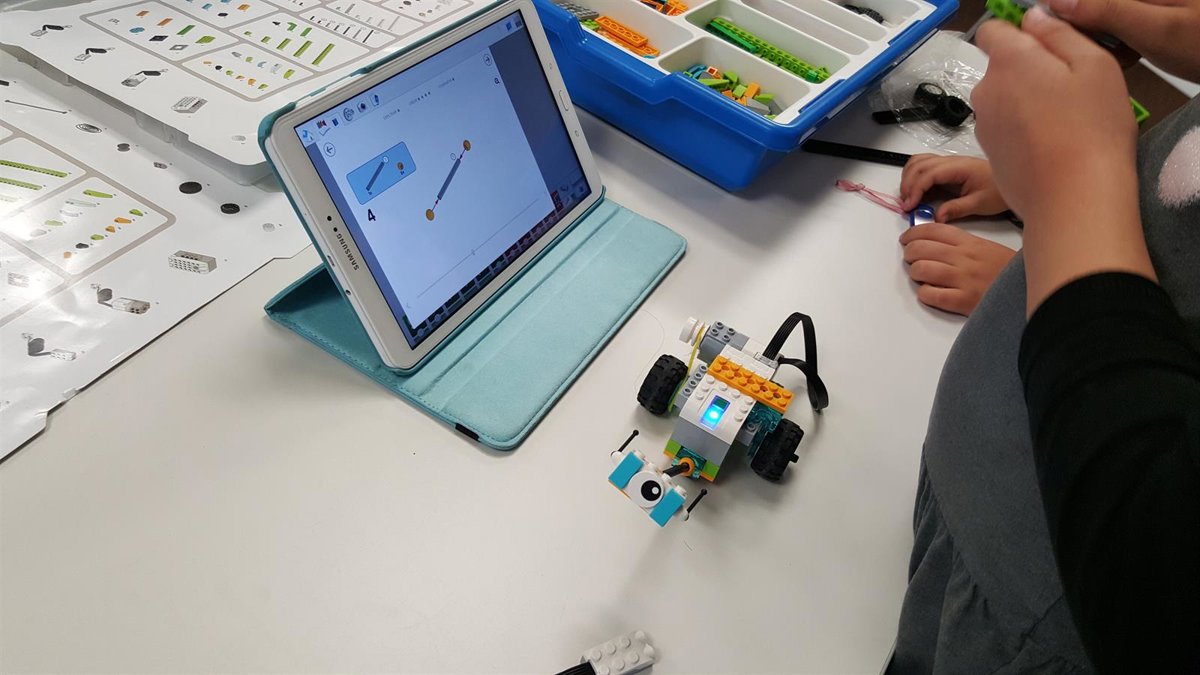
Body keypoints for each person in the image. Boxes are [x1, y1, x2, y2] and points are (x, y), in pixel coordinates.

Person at [885, 0, 1200, 671]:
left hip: (1035, 620)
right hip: (983, 512)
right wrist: (1044, 179)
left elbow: (1156, 570)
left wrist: (1066, 198)